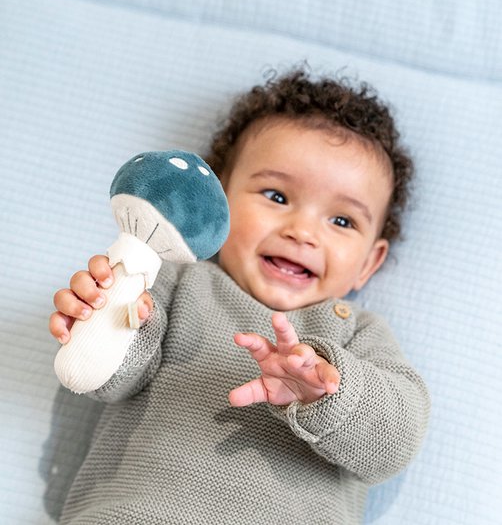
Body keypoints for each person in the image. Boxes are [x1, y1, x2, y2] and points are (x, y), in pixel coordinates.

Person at [49, 69, 430, 524]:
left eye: (342, 221)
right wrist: (103, 313)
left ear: (369, 262)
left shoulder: (357, 333)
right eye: (277, 196)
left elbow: (396, 444)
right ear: (219, 202)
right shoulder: (174, 283)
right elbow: (108, 378)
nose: (302, 232)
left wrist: (328, 391)